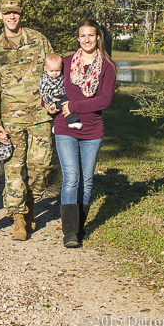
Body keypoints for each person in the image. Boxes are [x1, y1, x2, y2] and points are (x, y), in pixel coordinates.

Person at [0, 0, 55, 241]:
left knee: (41, 167)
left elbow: (54, 75)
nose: (12, 16)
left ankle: (31, 205)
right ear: (0, 15)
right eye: (7, 12)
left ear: (21, 14)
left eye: (16, 12)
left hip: (41, 116)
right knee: (14, 169)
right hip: (10, 119)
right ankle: (19, 219)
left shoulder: (39, 41)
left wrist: (56, 103)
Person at [47, 19, 116, 248]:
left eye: (91, 35)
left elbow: (105, 100)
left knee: (86, 181)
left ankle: (78, 227)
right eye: (82, 35)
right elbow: (49, 83)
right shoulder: (65, 63)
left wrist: (75, 106)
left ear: (98, 38)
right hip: (65, 126)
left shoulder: (107, 67)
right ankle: (69, 233)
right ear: (77, 38)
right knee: (71, 178)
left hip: (93, 129)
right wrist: (46, 102)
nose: (86, 39)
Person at [39, 53, 82, 131]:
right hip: (54, 98)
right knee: (67, 105)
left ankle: (56, 126)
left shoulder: (60, 76)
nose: (54, 73)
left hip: (62, 95)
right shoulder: (45, 79)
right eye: (51, 71)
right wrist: (51, 102)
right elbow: (43, 93)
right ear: (46, 69)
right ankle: (71, 122)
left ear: (61, 68)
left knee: (64, 107)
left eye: (57, 70)